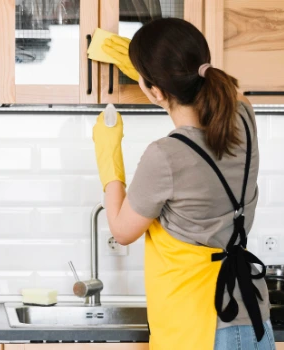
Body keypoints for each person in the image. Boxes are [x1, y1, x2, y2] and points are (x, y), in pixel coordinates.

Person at [93, 18, 274, 350]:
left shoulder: (165, 155)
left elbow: (121, 230)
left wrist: (108, 155)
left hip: (198, 329)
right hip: (255, 322)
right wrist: (154, 76)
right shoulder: (245, 119)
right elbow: (226, 92)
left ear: (156, 90)